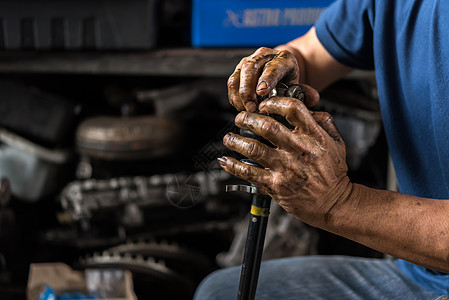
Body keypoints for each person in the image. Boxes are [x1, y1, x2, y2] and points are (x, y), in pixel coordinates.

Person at [194, 0, 449, 299]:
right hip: (421, 274)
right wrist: (279, 67)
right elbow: (310, 54)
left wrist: (340, 203)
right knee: (218, 293)